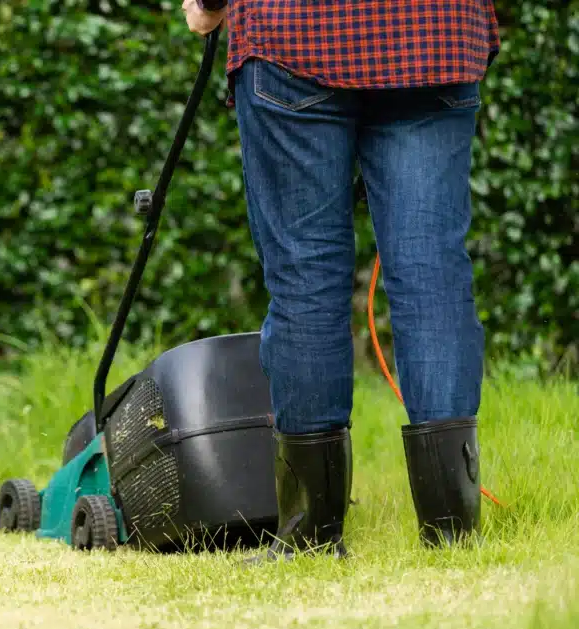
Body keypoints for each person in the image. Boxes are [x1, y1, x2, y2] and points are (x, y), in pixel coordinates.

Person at [179, 0, 501, 560]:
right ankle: (453, 534)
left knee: (306, 275)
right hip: (436, 32)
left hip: (297, 33)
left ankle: (311, 537)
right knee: (433, 273)